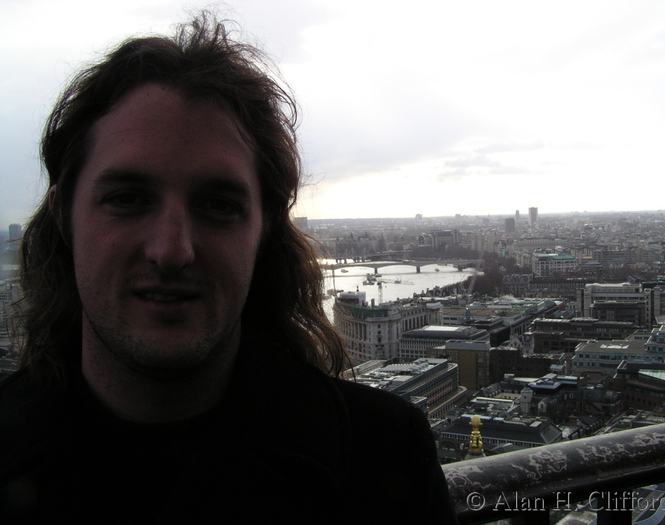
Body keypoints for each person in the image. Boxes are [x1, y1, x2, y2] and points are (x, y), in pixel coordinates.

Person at [0, 13, 458, 524]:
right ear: (65, 216)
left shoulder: (384, 459)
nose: (171, 250)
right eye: (127, 199)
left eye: (218, 206)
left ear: (264, 231)